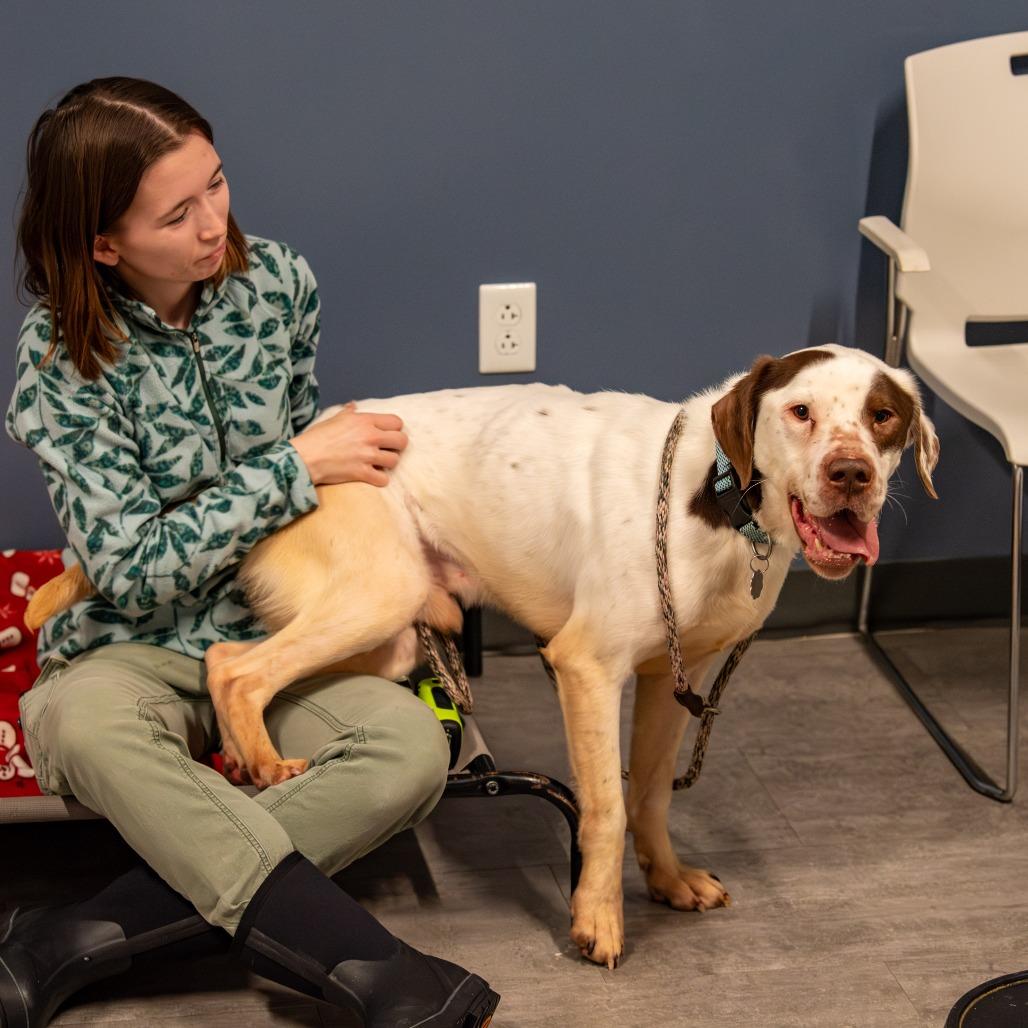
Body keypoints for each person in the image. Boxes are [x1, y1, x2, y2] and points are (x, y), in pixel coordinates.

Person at [1, 77, 499, 1028]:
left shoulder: (278, 283)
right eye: (176, 213)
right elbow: (134, 567)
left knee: (407, 752)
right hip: (123, 647)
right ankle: (364, 960)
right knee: (81, 729)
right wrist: (293, 465)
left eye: (217, 184)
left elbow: (313, 506)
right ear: (105, 245)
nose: (213, 224)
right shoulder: (60, 353)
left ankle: (69, 939)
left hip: (274, 630)